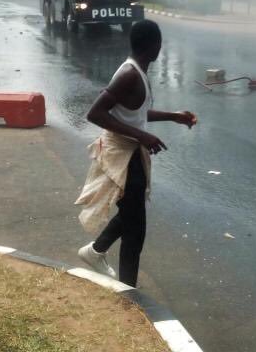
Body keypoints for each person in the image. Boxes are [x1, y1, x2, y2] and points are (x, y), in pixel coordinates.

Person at [74, 20, 197, 287]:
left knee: (131, 217)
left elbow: (136, 115)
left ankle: (95, 251)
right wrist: (143, 136)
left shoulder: (138, 71)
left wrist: (173, 116)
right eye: (159, 44)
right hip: (122, 155)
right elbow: (95, 113)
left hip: (132, 153)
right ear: (154, 46)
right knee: (135, 228)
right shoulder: (129, 74)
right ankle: (127, 290)